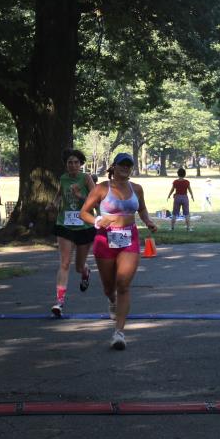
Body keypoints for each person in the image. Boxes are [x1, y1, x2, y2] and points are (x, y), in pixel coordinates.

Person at [80, 152, 158, 350]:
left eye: (128, 165)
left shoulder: (136, 188)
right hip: (105, 238)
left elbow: (142, 209)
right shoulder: (101, 188)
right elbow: (84, 213)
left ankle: (119, 333)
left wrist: (148, 221)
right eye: (122, 164)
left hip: (129, 237)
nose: (125, 168)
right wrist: (97, 221)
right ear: (113, 167)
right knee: (109, 287)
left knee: (123, 284)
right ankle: (112, 300)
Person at [46, 149, 97, 317]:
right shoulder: (63, 178)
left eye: (76, 162)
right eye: (70, 162)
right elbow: (59, 195)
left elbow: (96, 201)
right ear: (66, 164)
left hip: (84, 226)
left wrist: (80, 196)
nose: (73, 165)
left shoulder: (86, 178)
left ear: (80, 164)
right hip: (65, 224)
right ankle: (59, 302)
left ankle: (86, 272)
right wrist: (53, 204)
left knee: (78, 267)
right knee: (65, 263)